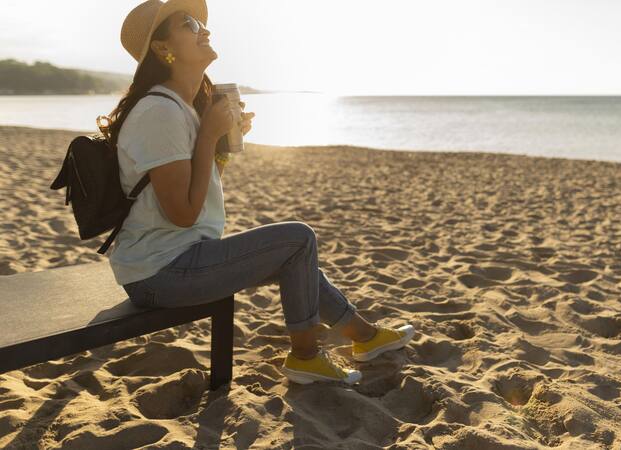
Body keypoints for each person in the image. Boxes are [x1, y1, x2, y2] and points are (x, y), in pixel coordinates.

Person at [108, 0, 414, 385]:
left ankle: (365, 337)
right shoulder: (160, 112)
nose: (204, 29)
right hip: (160, 273)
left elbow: (199, 191)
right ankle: (306, 356)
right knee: (298, 239)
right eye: (189, 23)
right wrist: (209, 136)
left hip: (181, 257)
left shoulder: (181, 108)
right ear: (161, 47)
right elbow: (183, 214)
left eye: (201, 22)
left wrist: (220, 144)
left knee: (295, 253)